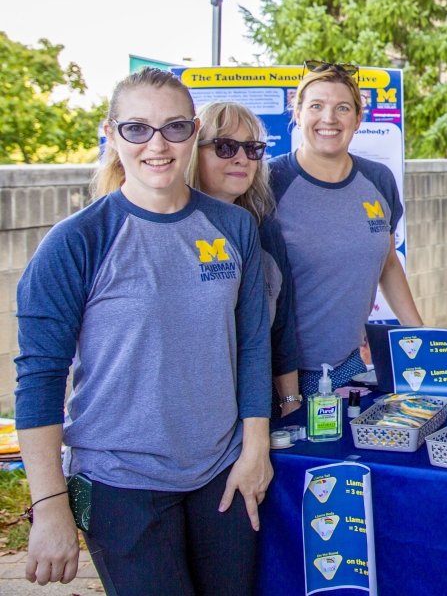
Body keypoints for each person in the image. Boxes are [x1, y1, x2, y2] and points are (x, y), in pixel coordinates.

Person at [14, 68, 272, 594]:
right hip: (120, 483)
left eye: (175, 128)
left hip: (221, 472)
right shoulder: (78, 241)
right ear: (110, 135)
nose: (158, 144)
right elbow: (39, 380)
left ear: (193, 132)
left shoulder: (234, 227)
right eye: (137, 129)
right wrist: (50, 507)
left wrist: (255, 449)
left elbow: (250, 346)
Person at [270, 62, 424, 395]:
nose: (329, 118)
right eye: (316, 106)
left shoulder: (379, 180)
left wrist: (421, 337)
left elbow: (387, 262)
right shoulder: (270, 183)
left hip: (351, 368)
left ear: (357, 119)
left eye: (342, 108)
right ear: (297, 114)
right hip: (283, 377)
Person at [188, 101, 304, 418]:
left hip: (256, 415)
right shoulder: (168, 231)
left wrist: (290, 405)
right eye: (225, 146)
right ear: (191, 151)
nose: (241, 158)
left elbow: (280, 330)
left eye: (251, 149)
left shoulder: (264, 231)